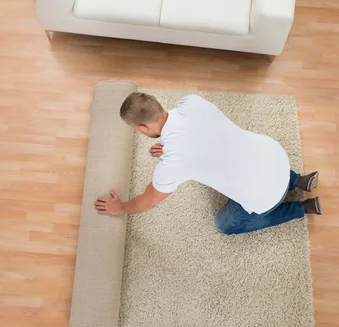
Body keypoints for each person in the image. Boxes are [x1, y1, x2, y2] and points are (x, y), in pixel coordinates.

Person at [94, 92, 322, 235]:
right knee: (247, 154)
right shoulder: (191, 102)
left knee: (224, 225)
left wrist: (120, 207)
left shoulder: (174, 160)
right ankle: (299, 180)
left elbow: (148, 201)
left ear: (143, 128)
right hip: (276, 156)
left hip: (265, 197)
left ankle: (300, 209)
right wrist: (170, 147)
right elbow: (208, 135)